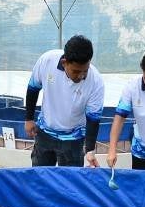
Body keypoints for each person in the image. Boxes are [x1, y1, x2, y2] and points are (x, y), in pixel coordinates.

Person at [25, 35, 105, 167]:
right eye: (76, 71)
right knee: (41, 177)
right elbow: (33, 88)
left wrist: (90, 150)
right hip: (45, 132)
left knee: (70, 183)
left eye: (85, 70)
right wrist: (28, 119)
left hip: (74, 138)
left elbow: (93, 119)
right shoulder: (47, 61)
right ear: (64, 62)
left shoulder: (96, 82)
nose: (81, 76)